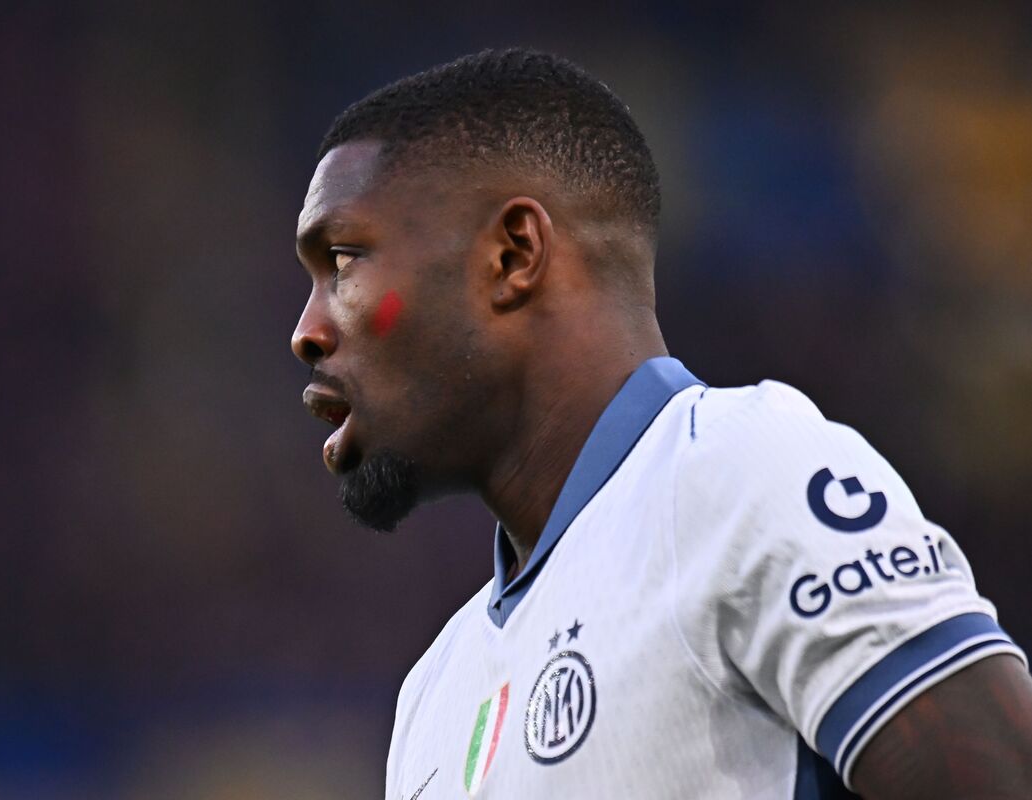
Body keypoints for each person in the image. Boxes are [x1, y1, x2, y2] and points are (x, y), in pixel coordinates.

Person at [290, 48, 1032, 799]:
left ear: (513, 255)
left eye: (345, 260)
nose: (307, 330)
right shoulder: (432, 698)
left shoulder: (740, 473)